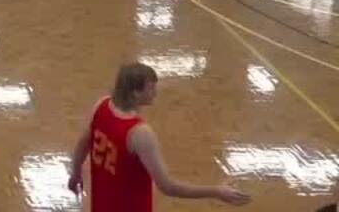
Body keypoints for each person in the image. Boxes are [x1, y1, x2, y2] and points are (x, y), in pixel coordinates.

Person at [67, 63, 250, 209]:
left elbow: (83, 142)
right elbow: (167, 186)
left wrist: (75, 173)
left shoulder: (102, 105)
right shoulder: (139, 133)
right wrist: (216, 192)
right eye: (150, 88)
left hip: (102, 204)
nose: (155, 92)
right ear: (135, 93)